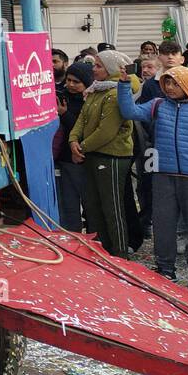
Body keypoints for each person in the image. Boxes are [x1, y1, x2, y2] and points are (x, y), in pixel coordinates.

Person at [118, 64, 188, 291]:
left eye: (175, 82)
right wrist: (124, 85)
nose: (170, 87)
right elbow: (129, 112)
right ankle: (166, 269)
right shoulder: (157, 105)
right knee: (163, 224)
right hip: (163, 174)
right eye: (167, 82)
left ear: (187, 84)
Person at [69, 49, 139, 258]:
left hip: (112, 156)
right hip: (92, 154)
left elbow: (107, 131)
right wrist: (73, 140)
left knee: (112, 208)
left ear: (111, 69)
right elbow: (81, 120)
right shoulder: (95, 90)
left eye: (98, 65)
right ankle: (100, 251)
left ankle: (118, 254)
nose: (93, 69)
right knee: (93, 206)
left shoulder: (117, 93)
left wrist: (80, 148)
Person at [54, 59, 92, 233]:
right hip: (64, 158)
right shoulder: (61, 96)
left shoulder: (90, 101)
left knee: (88, 202)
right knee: (68, 202)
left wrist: (64, 114)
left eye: (76, 82)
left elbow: (83, 129)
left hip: (82, 158)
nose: (70, 84)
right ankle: (73, 236)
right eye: (68, 80)